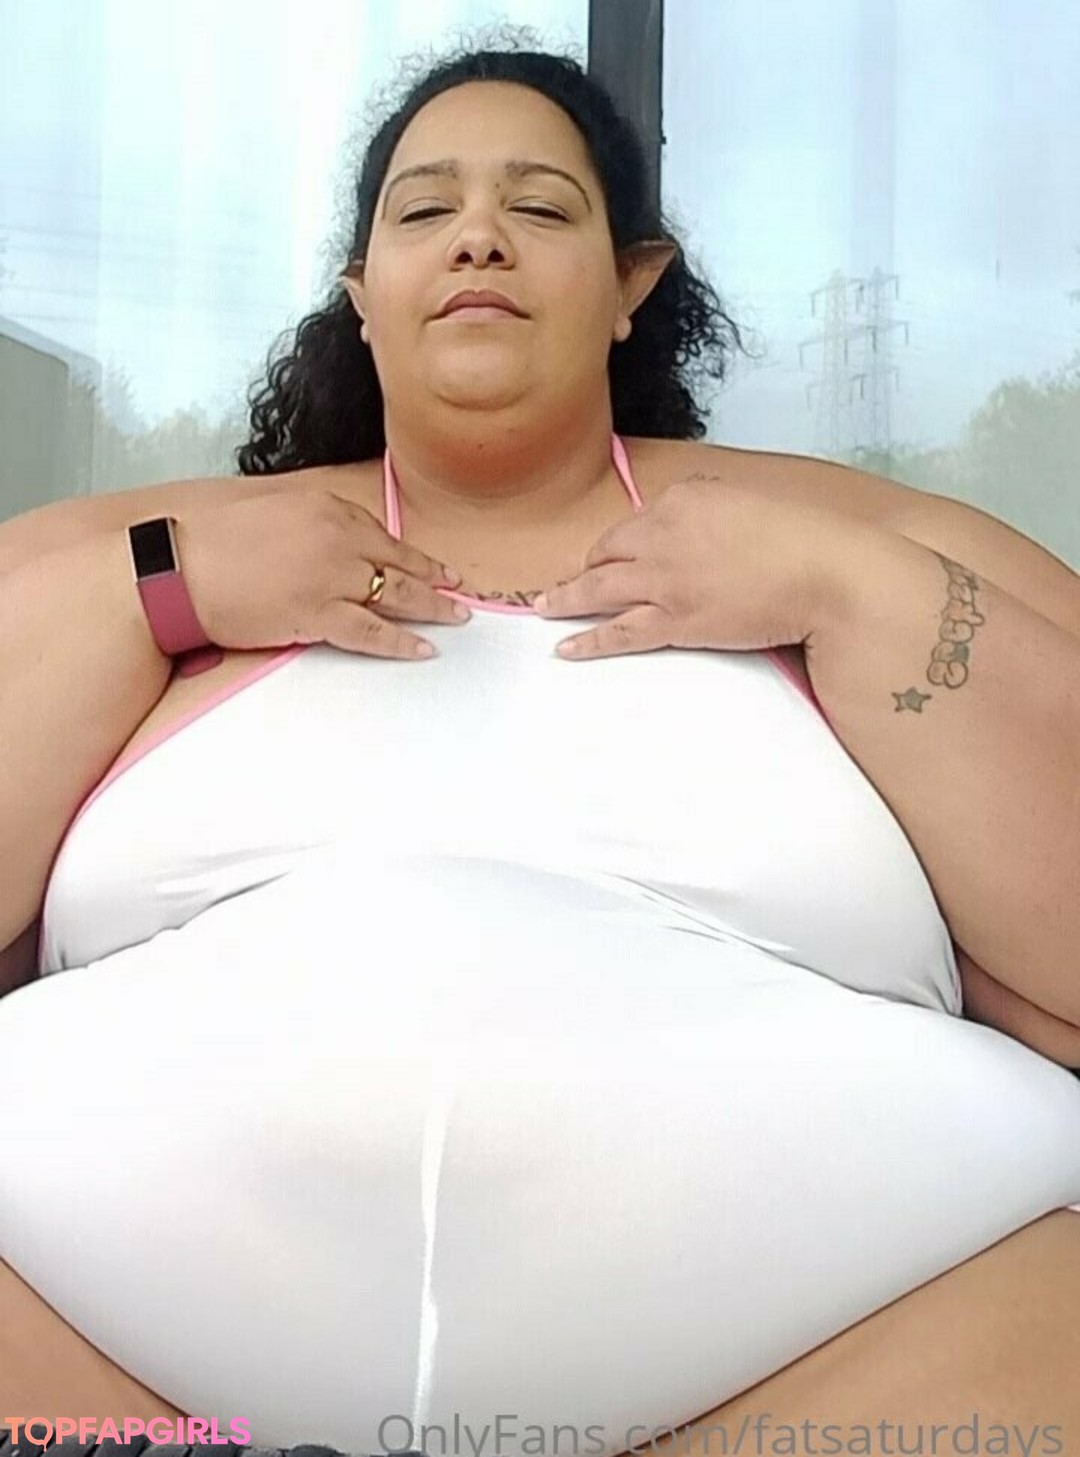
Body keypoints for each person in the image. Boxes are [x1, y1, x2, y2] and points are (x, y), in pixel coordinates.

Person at [1, 38, 1079, 1454]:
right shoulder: (152, 558)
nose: (479, 238)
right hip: (97, 1385)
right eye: (426, 209)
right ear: (362, 294)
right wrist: (171, 581)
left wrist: (841, 586)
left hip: (850, 1383)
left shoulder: (859, 543)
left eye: (540, 206)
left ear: (634, 284)